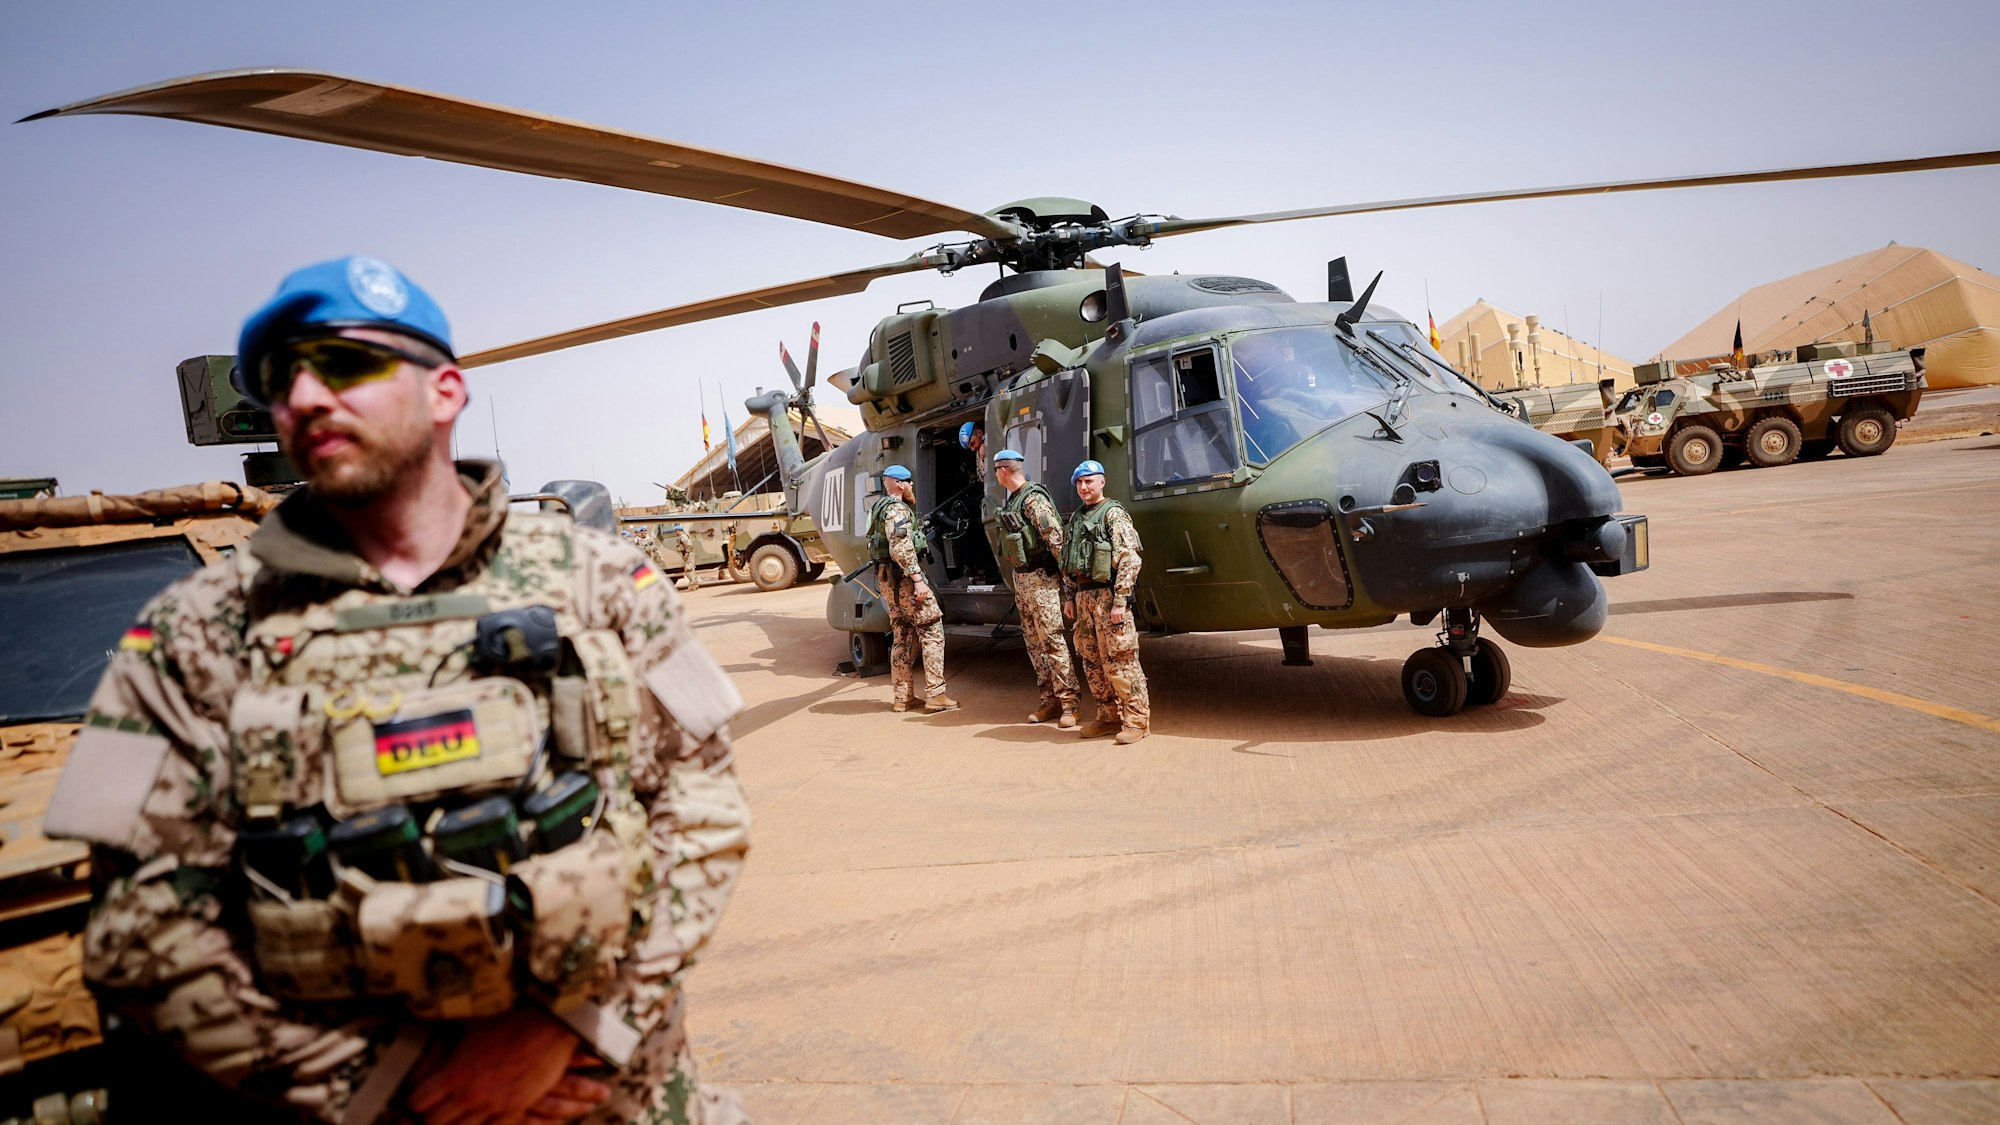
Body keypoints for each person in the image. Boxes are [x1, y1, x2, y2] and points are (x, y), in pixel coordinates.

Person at [41, 256, 751, 1124]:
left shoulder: (603, 580)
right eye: (278, 378)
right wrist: (384, 1084)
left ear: (446, 391)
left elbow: (705, 811)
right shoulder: (192, 633)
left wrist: (572, 1027)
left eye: (344, 364)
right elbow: (142, 927)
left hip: (607, 1089)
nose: (303, 396)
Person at [1062, 460, 1150, 744]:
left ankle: (1137, 721)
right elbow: (1069, 561)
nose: (1084, 487)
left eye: (1089, 481)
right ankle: (1108, 716)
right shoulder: (1076, 518)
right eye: (1079, 482)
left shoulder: (1113, 514)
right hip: (1084, 597)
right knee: (1091, 660)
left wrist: (1121, 601)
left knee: (1120, 660)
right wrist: (1069, 596)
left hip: (1108, 596)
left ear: (1102, 482)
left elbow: (1129, 559)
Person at [992, 450, 1077, 728]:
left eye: (996, 471)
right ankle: (1049, 700)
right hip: (1024, 582)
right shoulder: (1014, 501)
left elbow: (1057, 544)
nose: (996, 476)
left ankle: (1069, 704)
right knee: (1034, 645)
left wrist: (1069, 589)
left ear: (1003, 471)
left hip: (1042, 581)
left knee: (1052, 642)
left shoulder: (1033, 499)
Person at [867, 465, 955, 713]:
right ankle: (936, 694)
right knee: (932, 630)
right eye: (909, 482)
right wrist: (918, 580)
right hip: (904, 582)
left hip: (888, 583)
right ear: (900, 484)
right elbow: (901, 548)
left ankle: (903, 696)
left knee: (902, 636)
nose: (912, 487)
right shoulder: (896, 510)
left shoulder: (878, 508)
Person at [674, 523, 701, 590]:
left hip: (687, 554)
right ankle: (695, 584)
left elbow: (689, 545)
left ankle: (692, 586)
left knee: (688, 570)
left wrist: (687, 553)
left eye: (676, 531)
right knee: (691, 569)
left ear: (678, 530)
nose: (675, 532)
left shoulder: (683, 537)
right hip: (687, 554)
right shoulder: (683, 536)